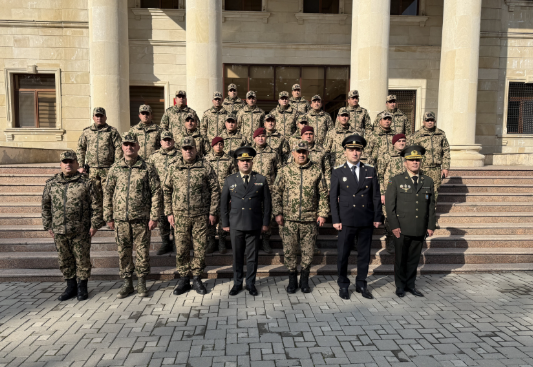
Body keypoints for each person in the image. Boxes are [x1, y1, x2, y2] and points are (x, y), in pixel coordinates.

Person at [104, 133, 161, 299]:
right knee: (123, 252)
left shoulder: (147, 167)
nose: (129, 147)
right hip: (121, 219)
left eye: (132, 144)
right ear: (122, 147)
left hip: (141, 219)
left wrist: (154, 216)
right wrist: (108, 215)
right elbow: (108, 192)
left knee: (142, 252)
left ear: (138, 146)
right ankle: (127, 282)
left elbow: (156, 192)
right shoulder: (115, 168)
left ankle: (142, 282)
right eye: (126, 144)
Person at [42, 151, 104, 301]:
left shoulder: (86, 183)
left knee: (82, 259)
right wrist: (48, 225)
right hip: (59, 229)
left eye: (71, 161)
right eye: (65, 162)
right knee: (64, 259)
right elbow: (46, 205)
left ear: (77, 164)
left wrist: (95, 224)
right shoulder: (51, 183)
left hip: (81, 229)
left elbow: (96, 205)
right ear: (60, 164)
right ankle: (70, 286)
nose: (68, 164)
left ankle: (82, 286)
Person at [163, 137, 220, 296]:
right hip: (180, 217)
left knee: (200, 249)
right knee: (181, 249)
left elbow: (215, 190)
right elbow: (167, 190)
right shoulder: (174, 167)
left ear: (196, 149)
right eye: (185, 148)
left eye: (191, 148)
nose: (188, 151)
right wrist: (169, 212)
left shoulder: (205, 166)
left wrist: (212, 211)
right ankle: (183, 279)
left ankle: (196, 277)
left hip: (201, 216)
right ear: (181, 150)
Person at [330, 135, 382, 300]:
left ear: (361, 152)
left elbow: (376, 195)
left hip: (365, 218)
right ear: (345, 151)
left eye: (357, 149)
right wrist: (336, 219)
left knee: (364, 254)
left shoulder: (370, 170)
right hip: (346, 219)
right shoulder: (338, 171)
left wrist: (377, 216)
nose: (354, 152)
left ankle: (361, 283)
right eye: (351, 149)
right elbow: (333, 197)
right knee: (343, 253)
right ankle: (343, 284)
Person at [273, 140, 329, 294]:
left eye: (304, 152)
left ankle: (304, 279)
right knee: (289, 251)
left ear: (308, 153)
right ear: (293, 154)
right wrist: (277, 212)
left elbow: (323, 193)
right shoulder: (285, 171)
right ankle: (292, 279)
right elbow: (276, 192)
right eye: (299, 152)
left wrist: (323, 213)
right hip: (289, 220)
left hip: (309, 220)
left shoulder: (316, 170)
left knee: (308, 252)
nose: (302, 154)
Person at [385, 145, 436, 298]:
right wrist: (393, 226)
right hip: (401, 228)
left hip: (419, 227)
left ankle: (411, 285)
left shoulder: (428, 181)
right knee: (400, 259)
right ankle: (400, 286)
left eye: (417, 160)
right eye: (411, 160)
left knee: (414, 259)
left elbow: (431, 206)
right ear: (405, 162)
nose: (415, 162)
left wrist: (430, 225)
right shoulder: (396, 180)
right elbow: (390, 206)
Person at [221, 146, 271, 297]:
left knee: (252, 257)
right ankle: (237, 283)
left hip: (254, 223)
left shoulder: (260, 179)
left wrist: (265, 222)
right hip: (236, 224)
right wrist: (225, 223)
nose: (245, 163)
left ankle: (250, 283)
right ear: (237, 162)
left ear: (252, 162)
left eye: (248, 161)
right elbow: (223, 203)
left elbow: (267, 203)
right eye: (242, 161)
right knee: (237, 256)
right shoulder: (230, 180)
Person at [76, 107, 123, 201]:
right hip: (92, 170)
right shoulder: (87, 132)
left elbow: (119, 148)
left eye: (101, 116)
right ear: (93, 117)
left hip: (108, 169)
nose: (99, 118)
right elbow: (81, 149)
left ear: (105, 117)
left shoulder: (112, 132)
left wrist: (116, 165)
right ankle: (97, 215)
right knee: (94, 196)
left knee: (109, 196)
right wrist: (80, 166)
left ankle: (108, 215)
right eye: (97, 116)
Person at [147, 130, 180, 255]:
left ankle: (177, 242)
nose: (167, 142)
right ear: (160, 142)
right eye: (165, 140)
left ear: (173, 141)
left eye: (169, 140)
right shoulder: (154, 156)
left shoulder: (179, 155)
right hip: (160, 193)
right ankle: (165, 241)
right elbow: (149, 173)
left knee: (175, 217)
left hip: (175, 193)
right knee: (162, 218)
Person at [409, 111, 451, 208]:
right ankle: (422, 217)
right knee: (421, 192)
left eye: (432, 120)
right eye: (427, 120)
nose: (430, 122)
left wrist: (445, 167)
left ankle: (432, 217)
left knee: (434, 193)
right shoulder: (416, 135)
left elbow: (446, 151)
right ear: (423, 122)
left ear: (435, 121)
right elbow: (411, 154)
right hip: (422, 169)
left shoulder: (440, 134)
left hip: (436, 169)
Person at [251, 127, 282, 254]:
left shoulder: (273, 153)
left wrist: (276, 185)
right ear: (254, 138)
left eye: (263, 136)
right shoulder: (250, 152)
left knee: (267, 215)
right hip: (253, 189)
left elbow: (279, 170)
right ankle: (253, 241)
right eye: (258, 136)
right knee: (253, 214)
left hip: (269, 189)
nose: (261, 138)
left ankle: (265, 240)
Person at [204, 137, 237, 254]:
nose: (219, 146)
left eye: (221, 144)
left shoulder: (229, 160)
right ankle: (211, 241)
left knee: (224, 218)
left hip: (225, 194)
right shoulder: (206, 159)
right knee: (210, 218)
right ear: (212, 146)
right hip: (210, 194)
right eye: (216, 144)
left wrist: (232, 194)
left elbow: (234, 178)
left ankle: (222, 241)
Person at [377, 134, 407, 254]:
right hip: (389, 192)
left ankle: (401, 241)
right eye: (399, 141)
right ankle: (390, 241)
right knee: (389, 217)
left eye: (403, 141)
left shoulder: (408, 156)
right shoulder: (385, 156)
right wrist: (382, 193)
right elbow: (379, 175)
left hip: (405, 192)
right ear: (393, 143)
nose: (401, 143)